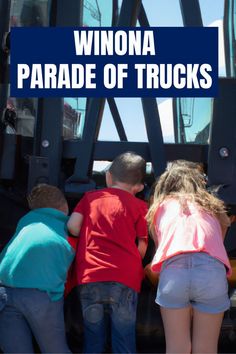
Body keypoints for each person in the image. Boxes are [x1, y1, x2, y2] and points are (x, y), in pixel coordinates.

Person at [146, 160, 232, 354]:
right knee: (206, 349)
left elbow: (160, 247)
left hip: (174, 274)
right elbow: (218, 242)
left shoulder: (159, 208)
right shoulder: (214, 206)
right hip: (211, 273)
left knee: (177, 348)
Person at [67, 151, 148, 353]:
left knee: (93, 337)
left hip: (91, 277)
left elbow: (73, 227)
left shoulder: (90, 198)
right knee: (124, 337)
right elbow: (143, 244)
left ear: (108, 177)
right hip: (125, 279)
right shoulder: (140, 206)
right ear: (138, 187)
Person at [0, 184, 74, 354]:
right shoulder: (68, 225)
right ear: (65, 206)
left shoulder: (25, 221)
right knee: (55, 350)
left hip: (4, 290)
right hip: (40, 294)